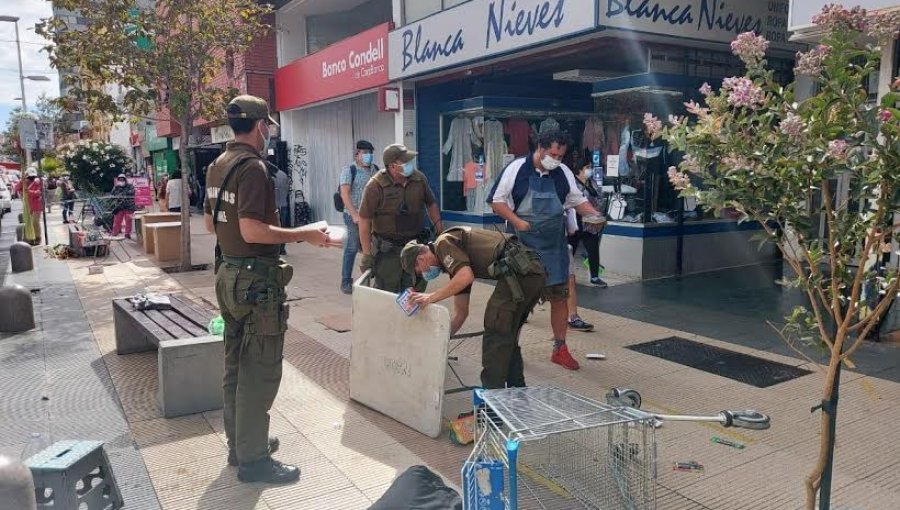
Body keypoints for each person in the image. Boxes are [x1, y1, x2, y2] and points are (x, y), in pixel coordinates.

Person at [203, 95, 342, 484]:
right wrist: (306, 235)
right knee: (259, 372)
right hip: (254, 283)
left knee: (235, 366)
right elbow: (251, 229)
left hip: (228, 275)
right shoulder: (253, 169)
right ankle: (254, 461)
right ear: (261, 125)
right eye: (268, 126)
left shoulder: (218, 165)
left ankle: (241, 444)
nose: (269, 133)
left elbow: (210, 226)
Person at [488, 130, 605, 371]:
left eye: (561, 156)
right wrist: (518, 222)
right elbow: (496, 200)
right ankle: (511, 348)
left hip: (554, 246)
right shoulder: (517, 168)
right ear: (539, 148)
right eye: (552, 153)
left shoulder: (563, 173)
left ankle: (560, 349)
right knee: (519, 302)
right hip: (523, 247)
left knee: (560, 298)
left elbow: (576, 200)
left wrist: (594, 214)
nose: (556, 159)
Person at [400, 227, 546, 388]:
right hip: (531, 273)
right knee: (507, 335)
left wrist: (431, 297)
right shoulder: (456, 264)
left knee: (495, 332)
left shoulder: (443, 244)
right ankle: (516, 394)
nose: (424, 274)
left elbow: (466, 277)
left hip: (521, 272)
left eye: (419, 272)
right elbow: (461, 313)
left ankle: (490, 404)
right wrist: (440, 341)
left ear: (420, 259)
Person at [358, 144, 443, 293]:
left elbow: (431, 203)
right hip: (388, 252)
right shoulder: (375, 186)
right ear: (392, 166)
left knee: (415, 292)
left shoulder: (419, 178)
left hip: (416, 247)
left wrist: (439, 228)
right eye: (405, 162)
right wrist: (366, 254)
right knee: (387, 294)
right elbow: (364, 220)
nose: (410, 164)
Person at [338, 140, 377, 294]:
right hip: (353, 216)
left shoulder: (375, 170)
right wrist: (354, 214)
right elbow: (344, 194)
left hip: (372, 217)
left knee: (373, 248)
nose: (369, 156)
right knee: (353, 246)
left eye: (370, 153)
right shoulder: (349, 170)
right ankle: (346, 281)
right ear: (357, 154)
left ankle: (369, 279)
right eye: (365, 153)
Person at [569, 163, 608, 288]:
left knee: (593, 249)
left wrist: (596, 210)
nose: (589, 170)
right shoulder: (573, 182)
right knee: (570, 250)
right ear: (580, 169)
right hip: (576, 221)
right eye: (587, 168)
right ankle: (564, 276)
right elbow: (574, 200)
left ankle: (595, 277)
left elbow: (600, 196)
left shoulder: (592, 182)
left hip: (591, 223)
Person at [15, 168, 43, 245]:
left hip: (36, 205)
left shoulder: (37, 182)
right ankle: (30, 238)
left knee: (35, 222)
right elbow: (16, 188)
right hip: (27, 206)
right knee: (29, 223)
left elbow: (38, 192)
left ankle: (38, 238)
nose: (31, 178)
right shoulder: (24, 182)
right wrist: (22, 180)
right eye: (30, 177)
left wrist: (28, 191)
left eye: (32, 176)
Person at [110, 174, 136, 239]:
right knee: (117, 221)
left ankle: (127, 234)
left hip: (128, 206)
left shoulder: (130, 186)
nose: (121, 181)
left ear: (125, 180)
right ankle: (114, 233)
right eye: (120, 180)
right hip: (119, 207)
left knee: (128, 221)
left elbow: (132, 192)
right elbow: (112, 195)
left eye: (122, 179)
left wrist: (122, 194)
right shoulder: (116, 187)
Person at [272, 166, 290, 255]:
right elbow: (287, 189)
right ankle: (282, 249)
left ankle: (275, 249)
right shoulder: (283, 175)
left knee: (274, 228)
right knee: (283, 228)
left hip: (273, 206)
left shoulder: (269, 175)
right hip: (283, 204)